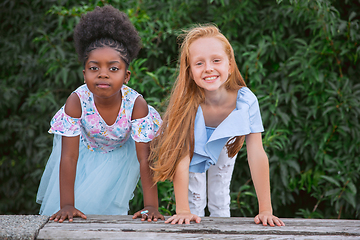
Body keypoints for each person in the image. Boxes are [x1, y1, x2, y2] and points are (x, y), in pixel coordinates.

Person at [36, 5, 164, 223]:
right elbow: (69, 156)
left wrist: (151, 206)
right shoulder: (76, 101)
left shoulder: (137, 105)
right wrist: (67, 204)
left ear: (126, 76)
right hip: (85, 150)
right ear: (84, 72)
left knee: (112, 210)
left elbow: (144, 158)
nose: (103, 74)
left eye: (113, 69)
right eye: (94, 68)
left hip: (123, 153)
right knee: (78, 209)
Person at [150, 25, 285, 226]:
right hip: (193, 145)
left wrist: (265, 209)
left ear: (230, 66)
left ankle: (222, 232)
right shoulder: (187, 104)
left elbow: (256, 153)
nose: (208, 68)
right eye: (199, 63)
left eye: (216, 60)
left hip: (224, 141)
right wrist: (183, 210)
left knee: (220, 191)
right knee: (194, 195)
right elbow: (182, 156)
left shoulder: (245, 101)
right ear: (189, 71)